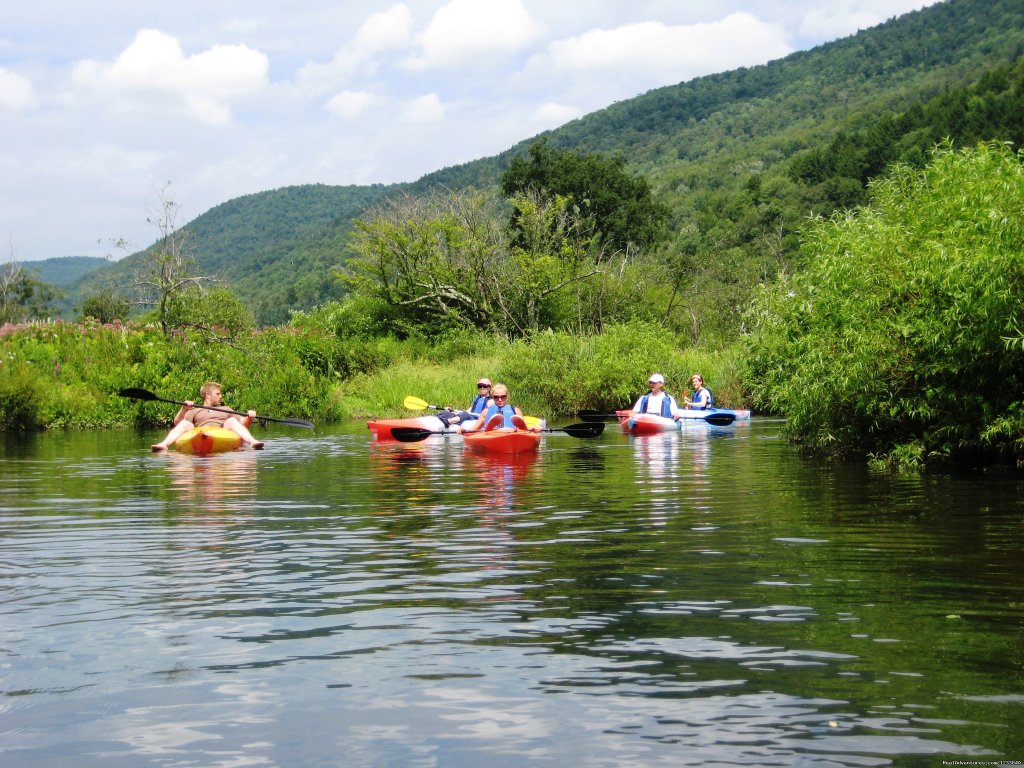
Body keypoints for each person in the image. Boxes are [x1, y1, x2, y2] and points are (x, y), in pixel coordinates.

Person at [151, 381, 264, 451]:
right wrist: (184, 408)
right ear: (208, 395)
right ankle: (164, 444)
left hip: (220, 431)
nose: (221, 397)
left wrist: (250, 417)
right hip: (200, 433)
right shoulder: (195, 410)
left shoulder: (226, 409)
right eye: (218, 394)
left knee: (231, 421)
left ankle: (252, 442)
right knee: (186, 423)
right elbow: (177, 423)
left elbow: (243, 423)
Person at [459, 383, 541, 432]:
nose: (500, 399)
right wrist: (464, 430)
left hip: (511, 434)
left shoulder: (515, 410)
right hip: (491, 436)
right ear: (492, 397)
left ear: (507, 397)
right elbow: (474, 429)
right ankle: (491, 428)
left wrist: (534, 428)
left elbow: (526, 428)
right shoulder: (486, 412)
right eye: (496, 397)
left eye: (503, 396)